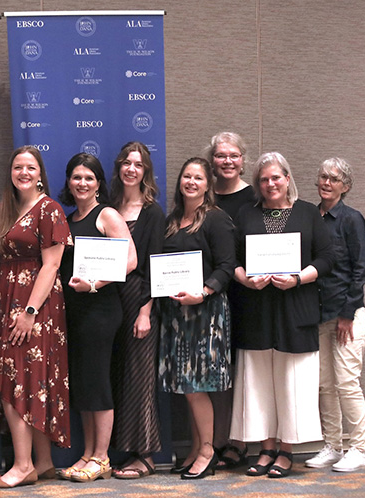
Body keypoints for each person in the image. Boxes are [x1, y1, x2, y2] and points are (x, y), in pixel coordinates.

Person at [230, 152, 334, 478]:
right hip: (257, 309)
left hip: (296, 308)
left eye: (276, 177)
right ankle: (265, 448)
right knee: (259, 382)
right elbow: (230, 260)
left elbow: (328, 258)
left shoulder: (307, 214)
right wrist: (246, 278)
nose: (270, 184)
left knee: (292, 383)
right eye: (264, 179)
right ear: (258, 185)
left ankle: (287, 450)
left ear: (287, 179)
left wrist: (298, 278)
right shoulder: (247, 214)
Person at [0, 145, 71, 488]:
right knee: (29, 380)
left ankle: (22, 466)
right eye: (18, 166)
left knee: (16, 381)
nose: (23, 172)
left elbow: (51, 265)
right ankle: (44, 462)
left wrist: (30, 312)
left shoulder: (49, 209)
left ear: (40, 174)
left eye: (30, 168)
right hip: (8, 304)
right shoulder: (6, 209)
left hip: (35, 306)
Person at [57, 153, 137, 482]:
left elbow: (129, 260)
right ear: (69, 182)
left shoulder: (108, 215)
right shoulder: (69, 219)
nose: (82, 183)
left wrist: (93, 283)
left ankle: (102, 456)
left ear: (99, 183)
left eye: (89, 178)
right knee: (84, 383)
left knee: (98, 382)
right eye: (77, 177)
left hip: (101, 310)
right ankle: (88, 453)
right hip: (74, 312)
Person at [159, 157, 235, 480]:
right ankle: (194, 447)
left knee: (196, 385)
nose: (191, 182)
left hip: (205, 312)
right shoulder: (173, 219)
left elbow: (227, 266)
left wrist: (202, 293)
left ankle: (208, 451)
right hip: (177, 313)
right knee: (186, 385)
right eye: (186, 176)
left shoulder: (216, 220)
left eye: (198, 178)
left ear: (208, 185)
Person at [305, 158, 365, 472]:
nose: (326, 182)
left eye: (333, 178)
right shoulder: (309, 216)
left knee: (346, 383)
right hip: (317, 313)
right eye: (322, 177)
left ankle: (358, 447)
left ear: (345, 186)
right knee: (324, 384)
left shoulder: (351, 219)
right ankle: (332, 445)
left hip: (347, 314)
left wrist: (347, 312)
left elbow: (361, 271)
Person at [107, 142, 166, 480]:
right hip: (110, 300)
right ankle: (126, 450)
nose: (131, 169)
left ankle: (145, 456)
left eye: (138, 164)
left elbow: (154, 266)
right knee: (120, 374)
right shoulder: (111, 207)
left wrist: (146, 312)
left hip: (140, 300)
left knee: (140, 378)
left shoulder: (153, 212)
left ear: (146, 171)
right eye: (126, 163)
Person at [206, 131, 255, 470]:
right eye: (221, 155)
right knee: (217, 373)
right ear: (212, 161)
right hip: (209, 297)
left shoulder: (254, 198)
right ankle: (217, 440)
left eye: (233, 155)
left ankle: (239, 442)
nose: (227, 161)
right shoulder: (203, 196)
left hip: (250, 294)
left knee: (243, 371)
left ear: (242, 160)